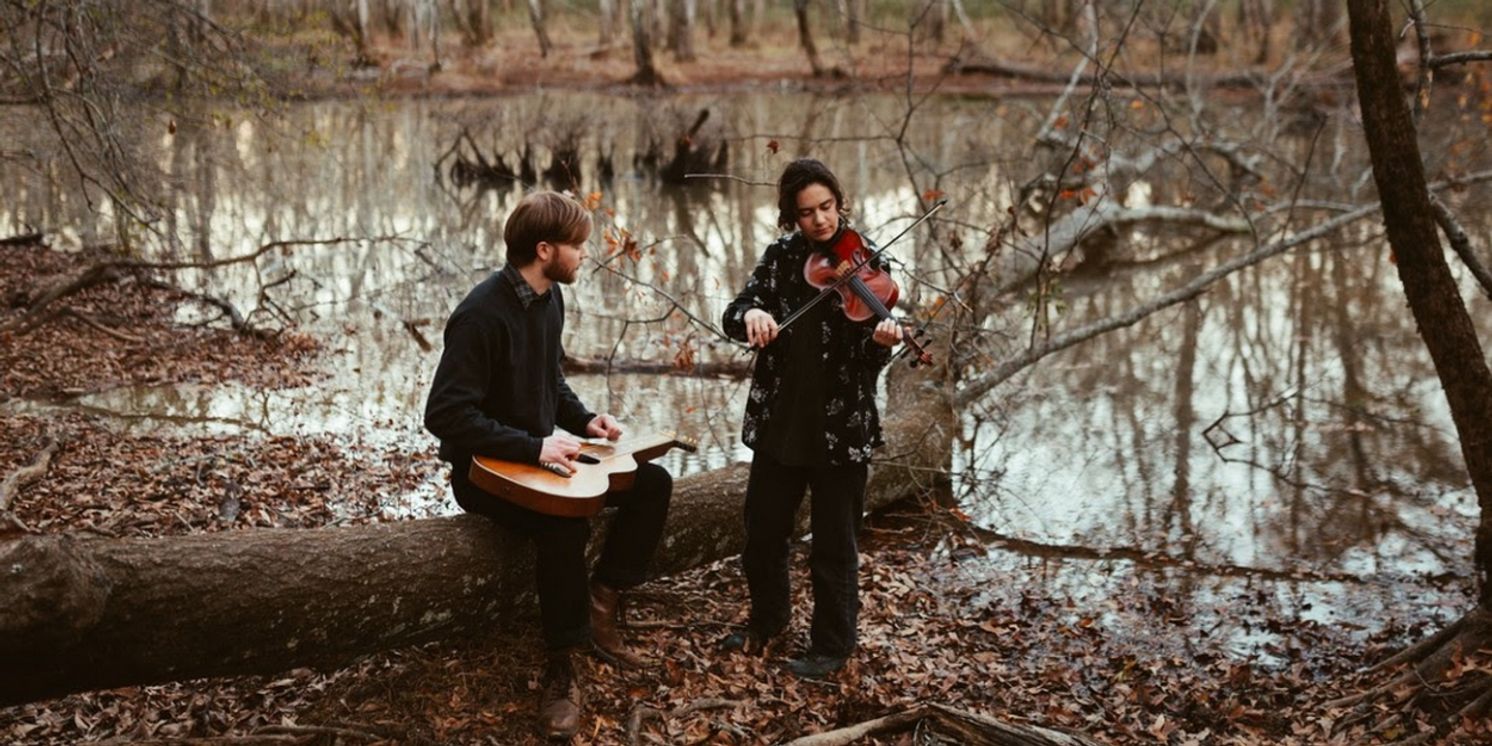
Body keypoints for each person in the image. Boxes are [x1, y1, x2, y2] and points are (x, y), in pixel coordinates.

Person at [424, 191, 673, 739]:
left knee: (652, 482)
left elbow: (549, 381)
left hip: (537, 457)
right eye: (577, 245)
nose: (585, 255)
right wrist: (534, 447)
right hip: (486, 473)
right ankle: (562, 665)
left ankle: (602, 602)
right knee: (566, 526)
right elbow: (443, 414)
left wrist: (586, 422)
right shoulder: (480, 314)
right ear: (544, 249)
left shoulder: (550, 297)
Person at [719, 159, 905, 679]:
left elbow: (869, 365)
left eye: (826, 208)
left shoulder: (870, 261)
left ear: (839, 203)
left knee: (833, 544)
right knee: (762, 532)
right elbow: (736, 310)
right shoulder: (780, 258)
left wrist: (881, 342)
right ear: (791, 217)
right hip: (782, 418)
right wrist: (751, 315)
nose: (820, 221)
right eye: (807, 213)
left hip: (841, 426)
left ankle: (831, 647)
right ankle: (768, 621)